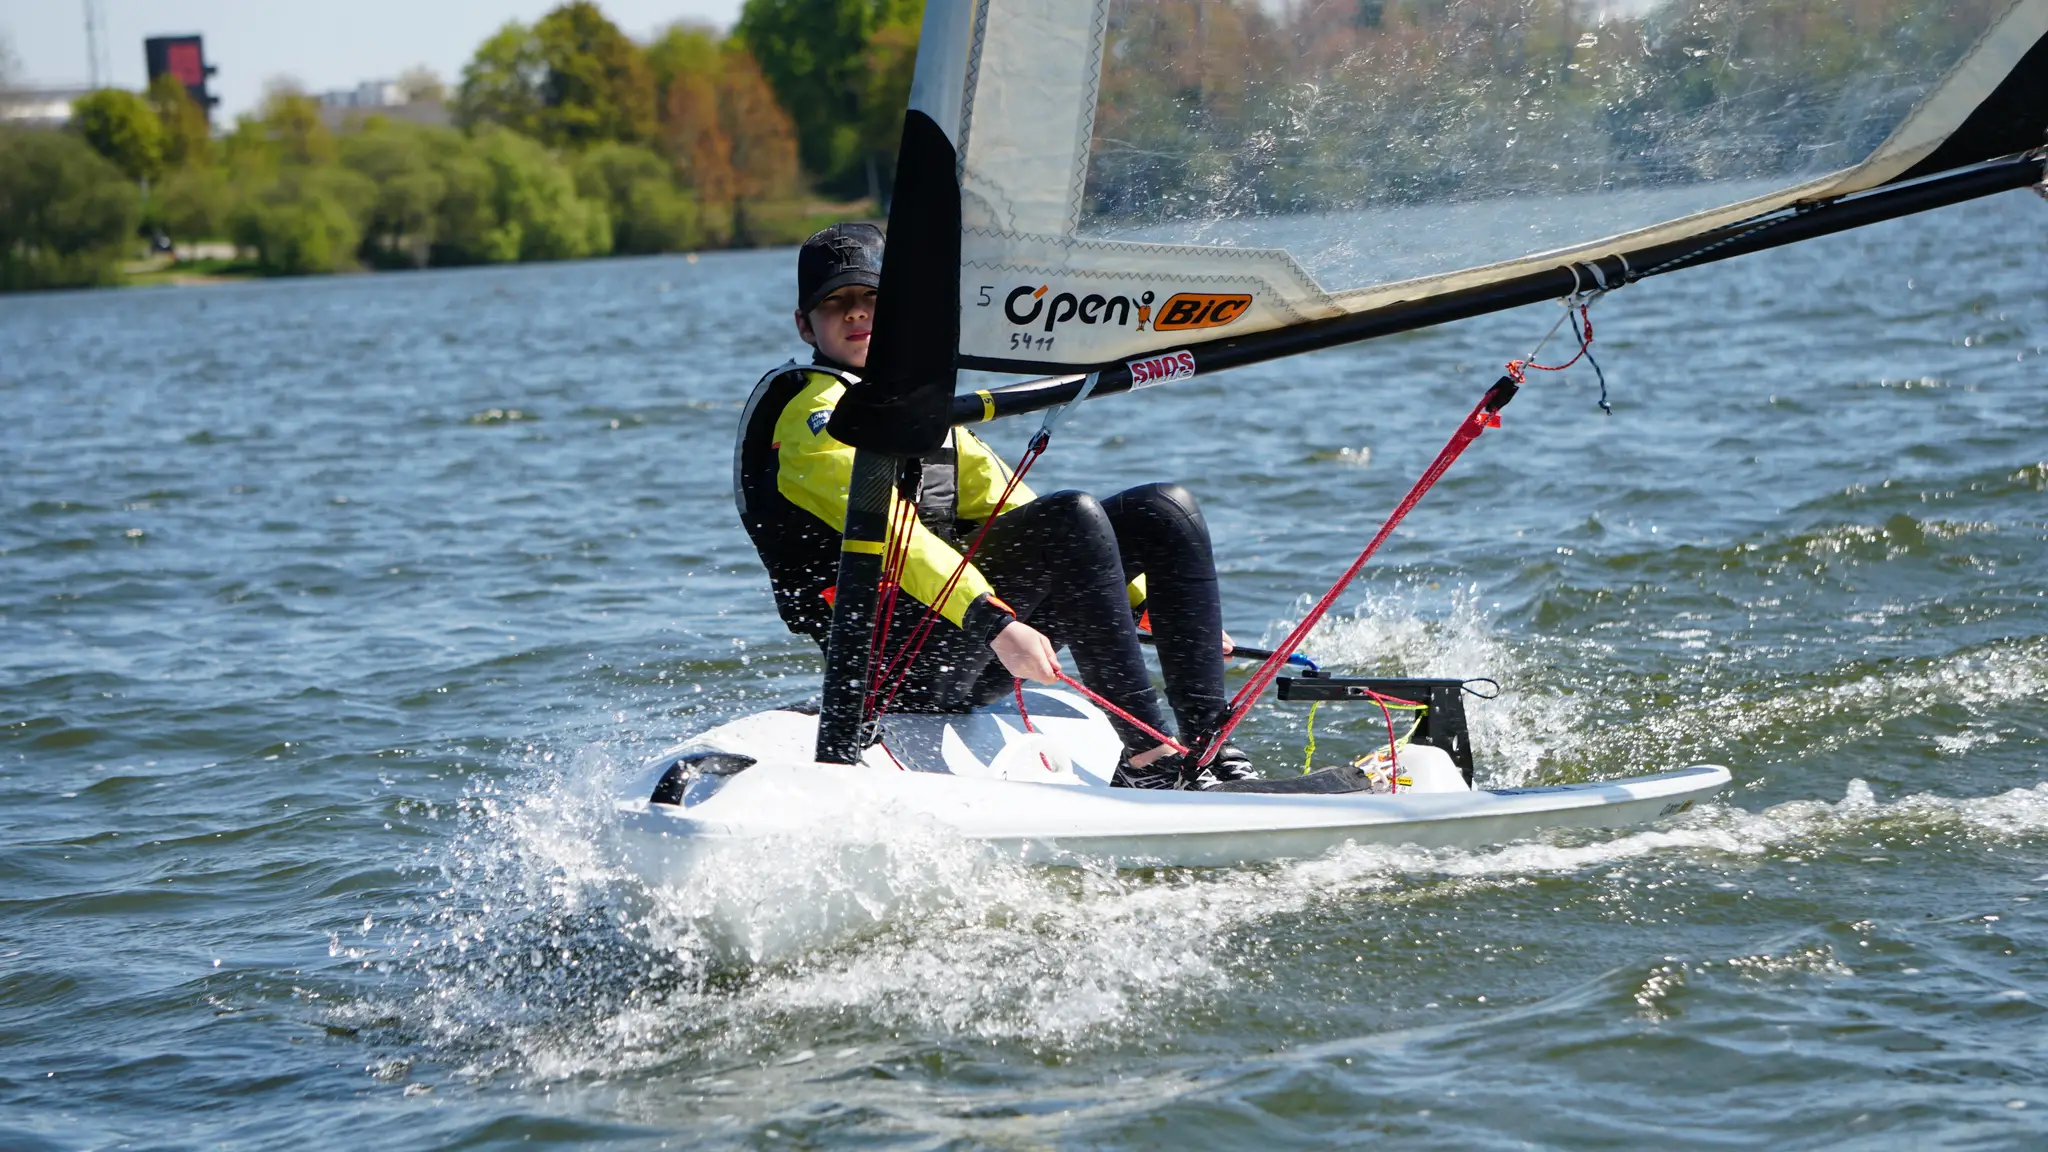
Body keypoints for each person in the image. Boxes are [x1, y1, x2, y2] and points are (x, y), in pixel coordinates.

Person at [734, 223, 1271, 789]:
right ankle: (1150, 761)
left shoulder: (911, 406)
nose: (856, 312)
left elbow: (1011, 508)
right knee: (1069, 517)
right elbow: (894, 537)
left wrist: (1146, 607)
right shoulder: (812, 413)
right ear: (805, 325)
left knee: (1163, 510)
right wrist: (992, 621)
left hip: (960, 641)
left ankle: (1209, 749)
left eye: (871, 297)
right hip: (892, 668)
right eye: (834, 303)